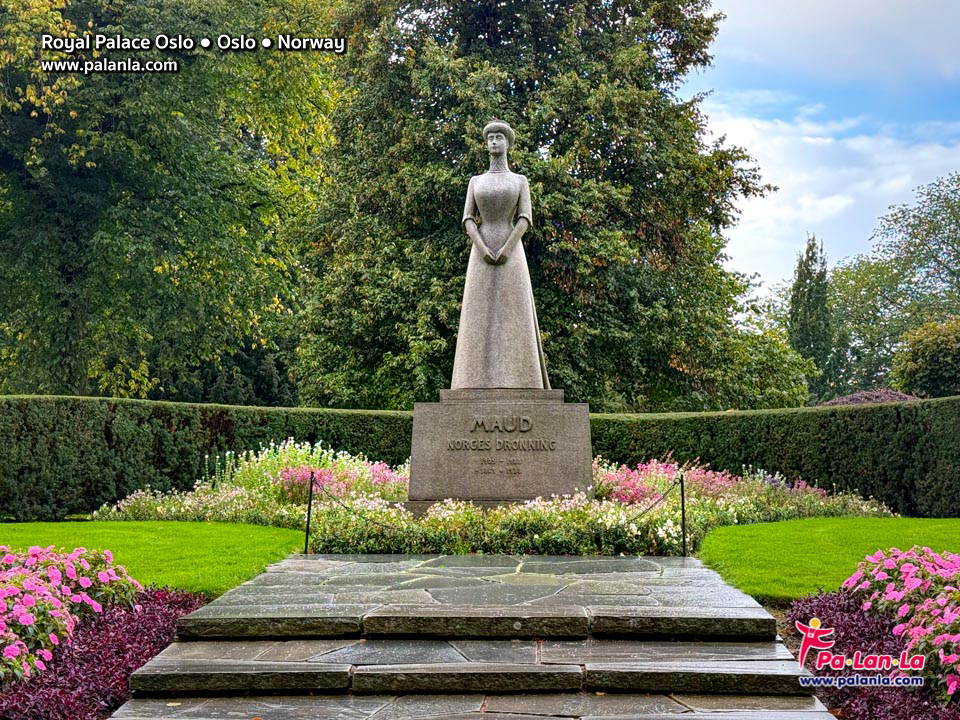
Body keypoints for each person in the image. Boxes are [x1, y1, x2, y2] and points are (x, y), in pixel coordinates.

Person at [451, 120, 551, 390]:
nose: (494, 142)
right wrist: (482, 248)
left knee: (514, 313)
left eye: (499, 137)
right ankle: (470, 381)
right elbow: (468, 219)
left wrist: (507, 247)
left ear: (507, 143)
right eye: (490, 138)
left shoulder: (520, 181)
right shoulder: (476, 181)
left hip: (512, 252)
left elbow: (525, 218)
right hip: (480, 253)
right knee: (478, 314)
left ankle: (523, 380)